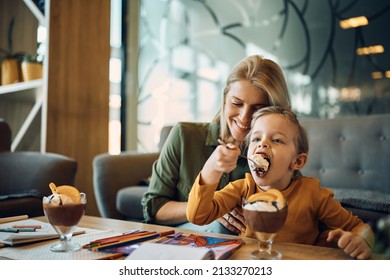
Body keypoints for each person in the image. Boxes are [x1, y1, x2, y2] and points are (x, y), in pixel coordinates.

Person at [186, 106, 375, 259]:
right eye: (256, 138)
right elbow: (197, 216)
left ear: (297, 161)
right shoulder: (242, 188)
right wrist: (211, 170)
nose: (262, 144)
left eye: (276, 140)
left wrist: (362, 241)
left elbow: (360, 227)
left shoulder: (313, 193)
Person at [141, 55, 291, 234]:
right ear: (225, 99)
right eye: (237, 103)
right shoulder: (184, 135)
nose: (244, 118)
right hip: (180, 239)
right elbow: (154, 208)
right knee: (219, 227)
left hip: (242, 250)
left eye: (258, 109)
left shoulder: (280, 152)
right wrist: (213, 209)